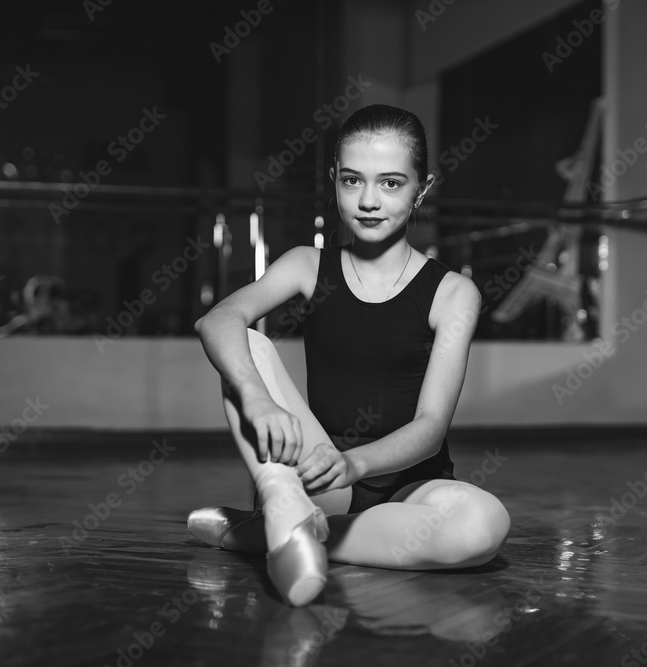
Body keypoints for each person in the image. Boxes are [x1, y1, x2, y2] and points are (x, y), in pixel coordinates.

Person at [189, 104, 511, 606]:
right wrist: (257, 400)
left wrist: (355, 463)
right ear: (334, 178)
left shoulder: (452, 294)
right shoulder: (306, 265)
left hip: (406, 485)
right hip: (312, 472)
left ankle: (269, 535)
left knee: (483, 526)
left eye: (390, 183)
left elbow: (430, 427)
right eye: (352, 181)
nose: (367, 201)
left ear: (421, 188)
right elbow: (217, 320)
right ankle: (283, 501)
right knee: (245, 343)